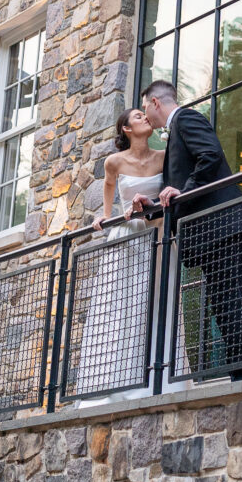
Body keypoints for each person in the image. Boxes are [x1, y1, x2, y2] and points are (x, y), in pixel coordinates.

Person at [140, 80, 242, 382]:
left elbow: (211, 156)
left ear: (155, 102)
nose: (146, 117)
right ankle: (240, 379)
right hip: (212, 236)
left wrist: (182, 190)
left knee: (234, 308)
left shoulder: (186, 119)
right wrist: (150, 206)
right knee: (224, 310)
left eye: (144, 108)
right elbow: (177, 191)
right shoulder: (175, 132)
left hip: (226, 229)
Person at [74, 108, 164, 395]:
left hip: (156, 233)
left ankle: (155, 380)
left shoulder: (164, 157)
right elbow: (109, 187)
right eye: (138, 116)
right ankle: (113, 383)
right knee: (121, 304)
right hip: (127, 236)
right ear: (126, 128)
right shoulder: (114, 162)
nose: (145, 118)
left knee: (154, 300)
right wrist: (104, 215)